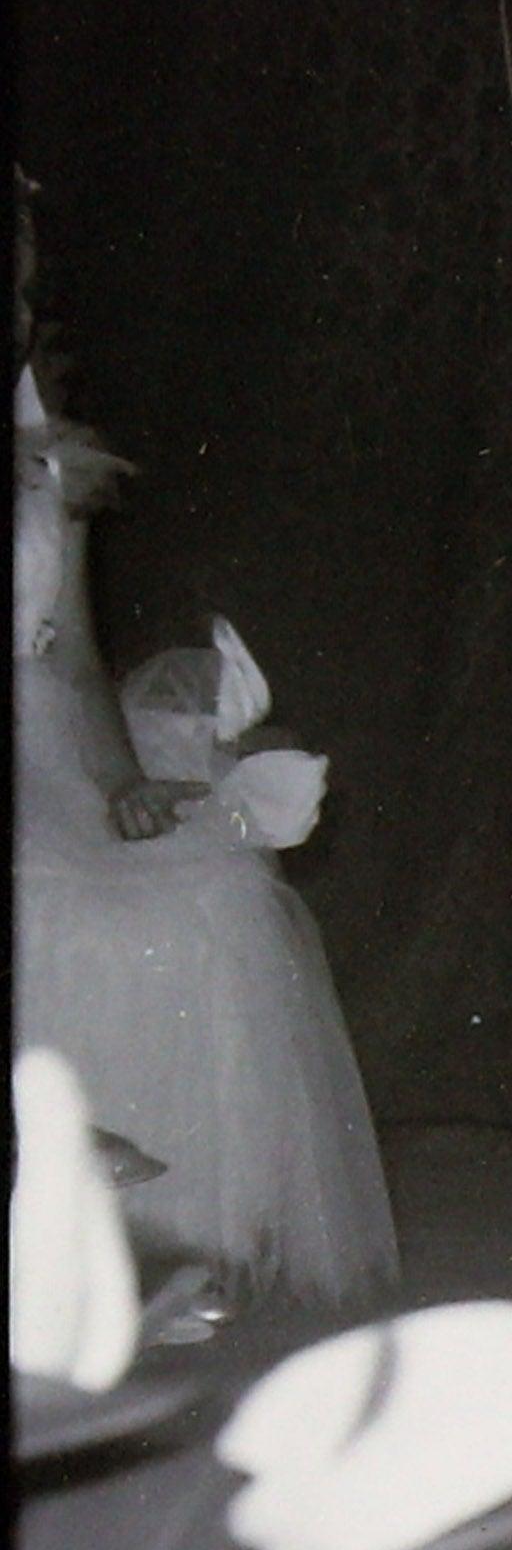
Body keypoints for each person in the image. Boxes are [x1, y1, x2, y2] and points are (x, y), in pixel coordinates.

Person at [16, 346, 399, 1317]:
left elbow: (74, 665)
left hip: (45, 754)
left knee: (208, 894)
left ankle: (163, 1253)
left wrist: (117, 787)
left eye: (17, 295)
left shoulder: (51, 467)